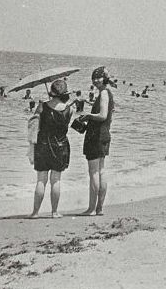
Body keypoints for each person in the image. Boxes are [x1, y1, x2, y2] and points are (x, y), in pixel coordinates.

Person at [29, 78, 75, 218]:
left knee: (41, 180)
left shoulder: (42, 106)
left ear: (51, 92)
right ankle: (54, 212)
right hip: (61, 146)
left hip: (43, 145)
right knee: (56, 180)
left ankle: (35, 212)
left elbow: (33, 125)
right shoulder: (70, 109)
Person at [74, 67, 114, 216]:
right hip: (103, 134)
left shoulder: (103, 94)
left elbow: (102, 115)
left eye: (98, 78)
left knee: (94, 173)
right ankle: (99, 208)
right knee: (101, 171)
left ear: (104, 78)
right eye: (93, 78)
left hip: (96, 136)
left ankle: (91, 209)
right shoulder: (107, 93)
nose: (95, 81)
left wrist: (89, 116)